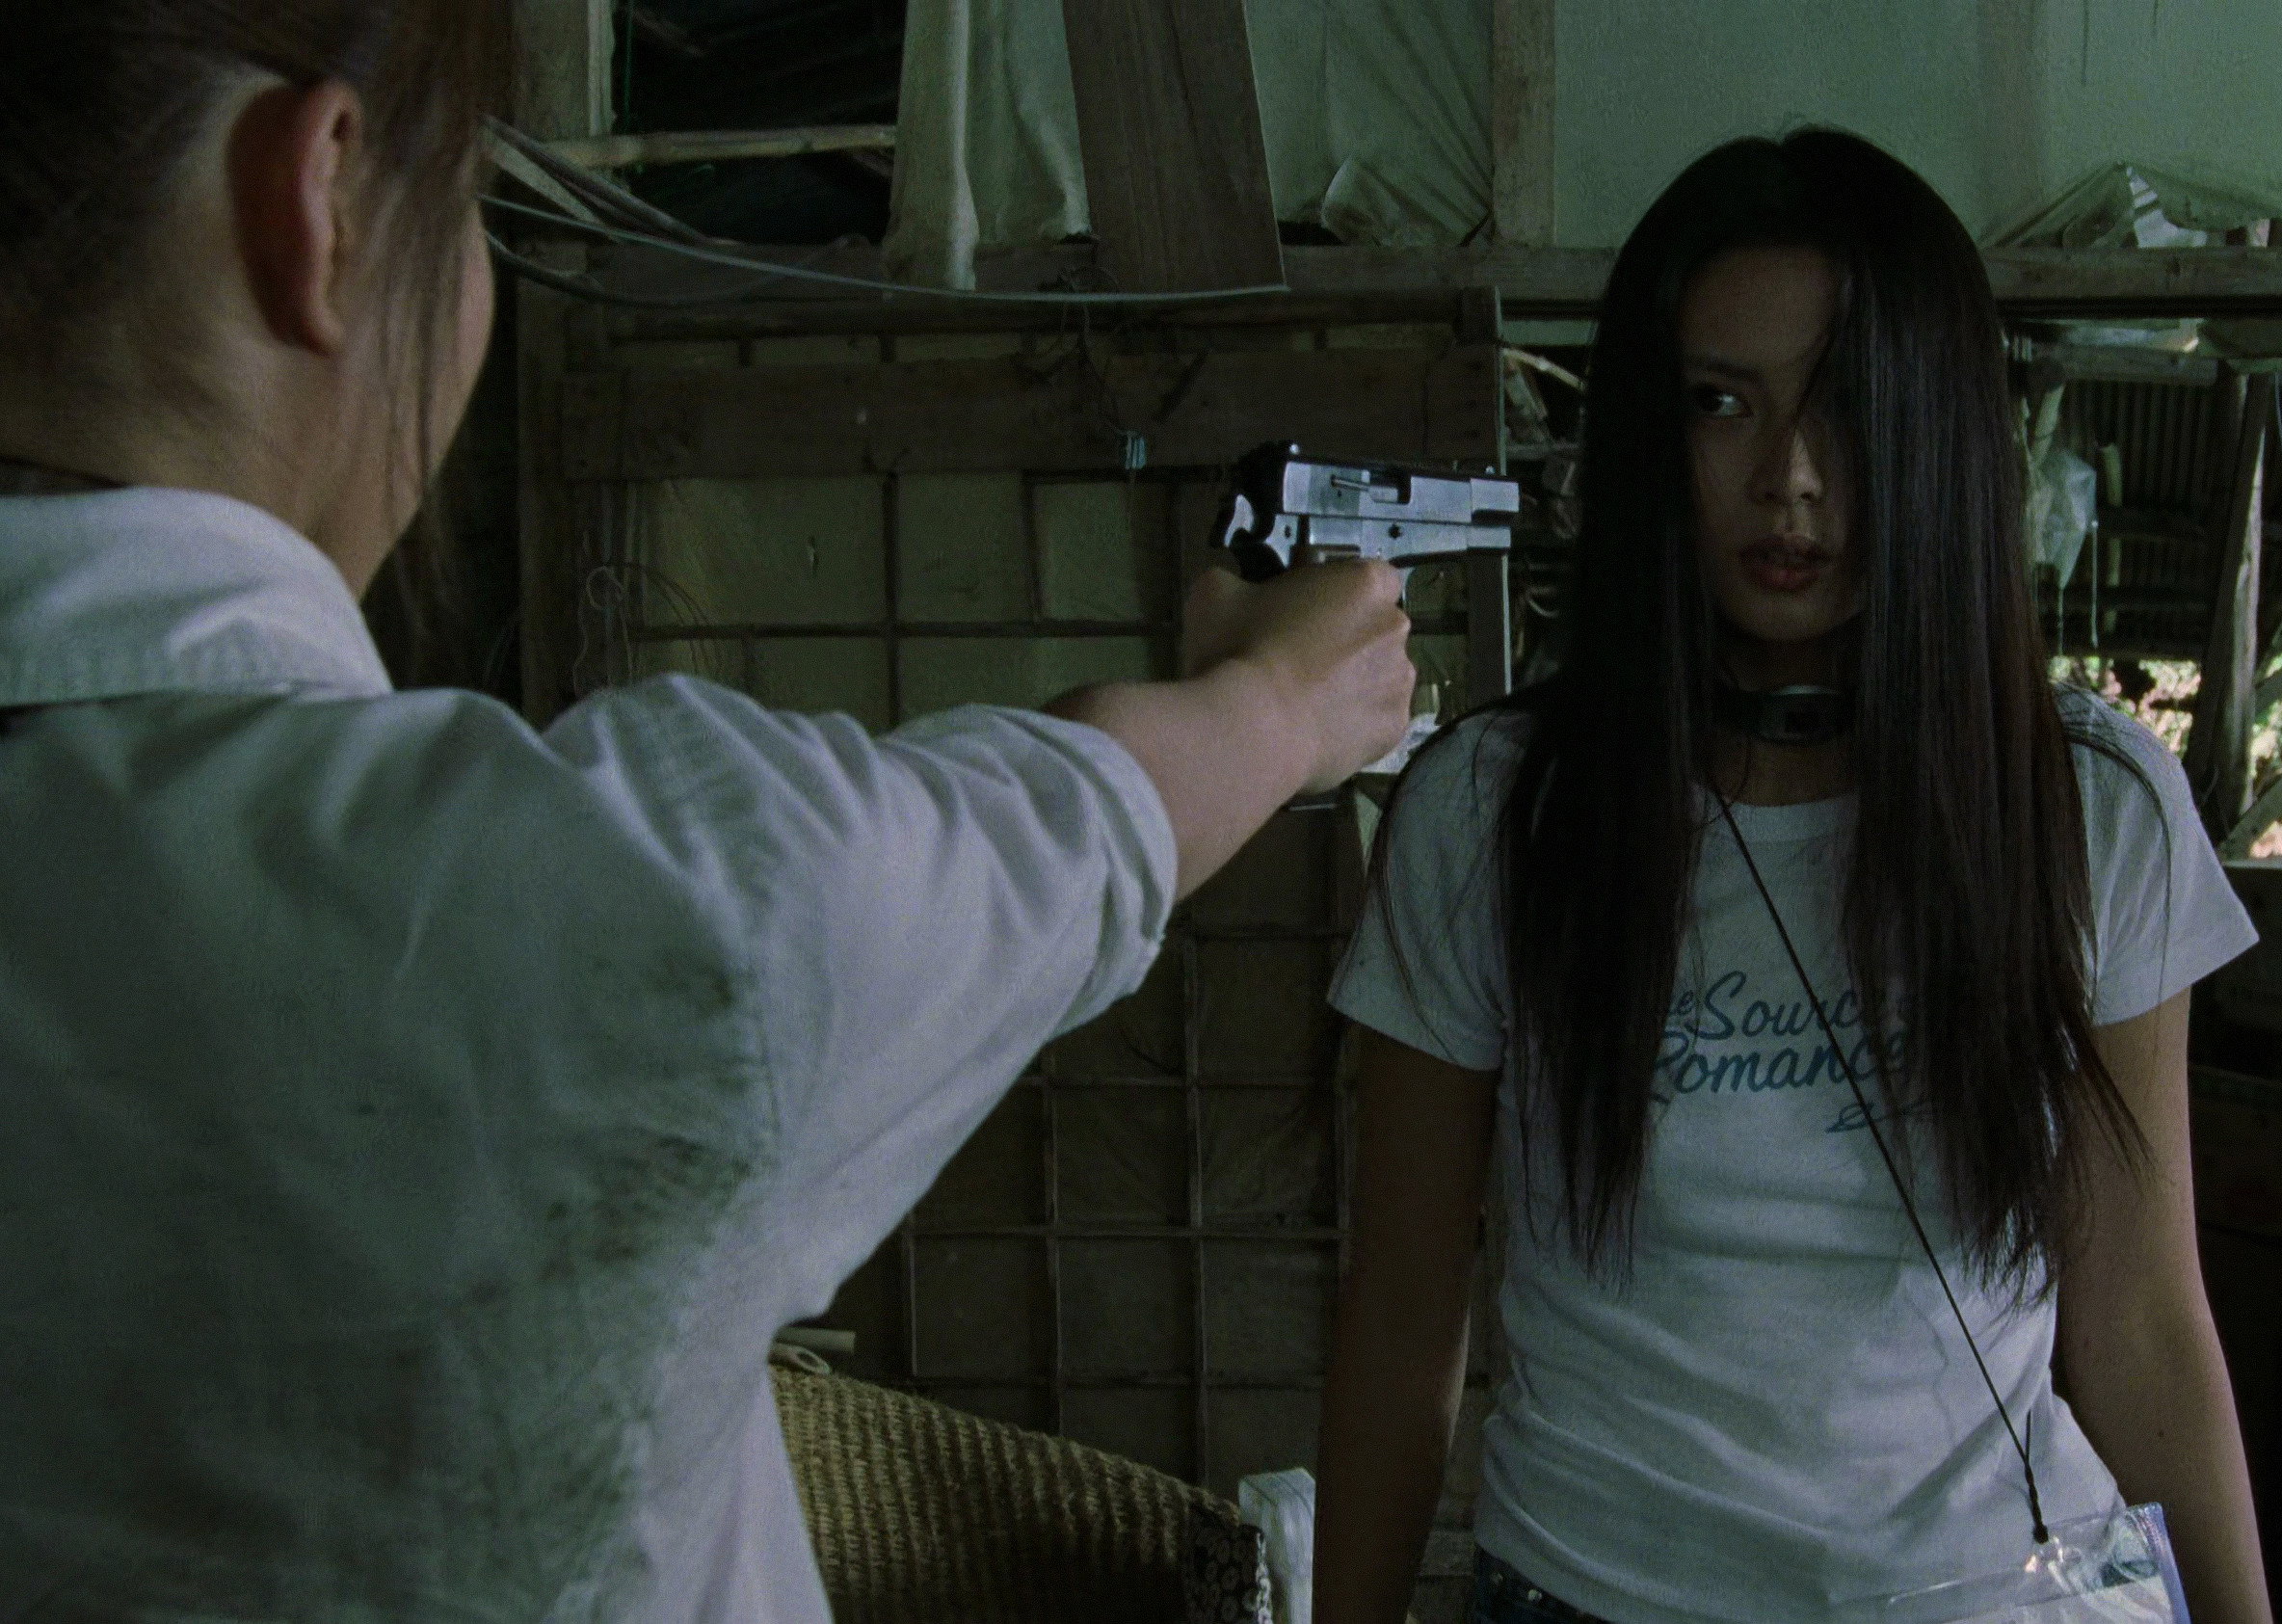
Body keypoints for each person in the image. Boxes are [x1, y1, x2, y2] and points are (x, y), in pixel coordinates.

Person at [0, 5, 1412, 1620]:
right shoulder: (628, 901)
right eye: (467, 210)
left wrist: (1265, 705)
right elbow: (1064, 831)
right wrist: (1288, 702)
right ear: (319, 197)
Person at [1313, 131, 2276, 1624]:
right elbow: (1399, 1317)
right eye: (1722, 403)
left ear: (1941, 432)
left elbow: (2142, 1317)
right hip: (1597, 1594)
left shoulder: (2087, 804)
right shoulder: (1496, 814)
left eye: (1848, 404)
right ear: (1651, 439)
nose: (1791, 478)